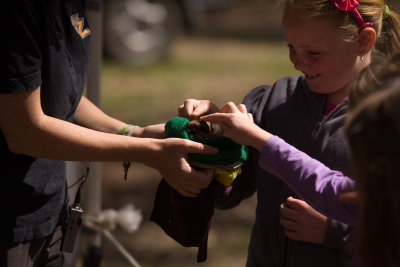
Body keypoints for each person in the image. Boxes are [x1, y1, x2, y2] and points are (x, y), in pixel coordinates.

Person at [178, 0, 400, 266]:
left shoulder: (385, 120)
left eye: (314, 52)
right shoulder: (274, 101)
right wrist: (213, 138)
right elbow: (233, 190)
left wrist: (333, 232)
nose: (297, 62)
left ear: (363, 41)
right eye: (290, 47)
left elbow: (391, 227)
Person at [0, 0, 217, 266]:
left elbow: (56, 91)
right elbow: (24, 130)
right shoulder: (16, 10)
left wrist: (135, 133)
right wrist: (150, 153)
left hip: (50, 213)